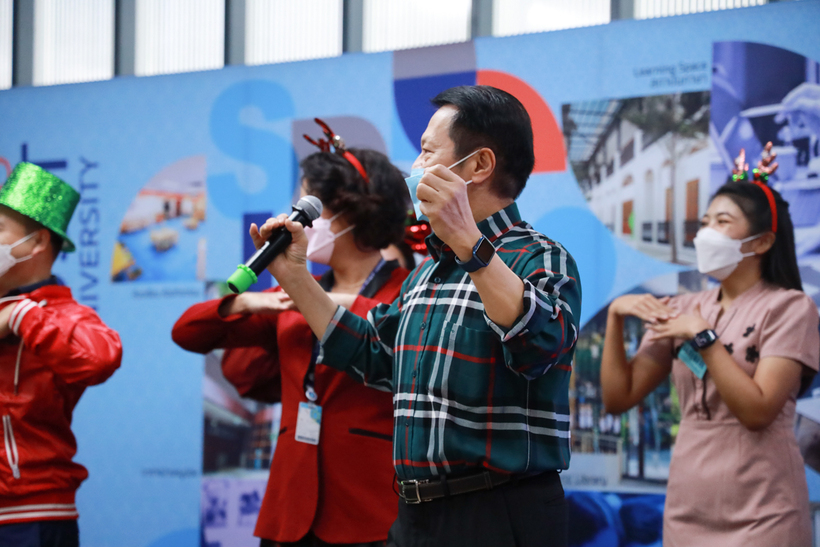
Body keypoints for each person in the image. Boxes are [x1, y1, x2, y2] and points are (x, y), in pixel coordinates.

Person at [250, 85, 582, 547]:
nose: (416, 167)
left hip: (498, 511)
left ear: (479, 166)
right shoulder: (427, 273)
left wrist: (468, 241)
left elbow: (538, 347)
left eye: (427, 151)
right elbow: (374, 355)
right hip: (413, 512)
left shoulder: (540, 257)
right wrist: (296, 279)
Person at [172, 128, 410, 547]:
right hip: (290, 508)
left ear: (351, 210)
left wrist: (326, 299)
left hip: (370, 507)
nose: (296, 219)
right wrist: (248, 302)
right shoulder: (291, 295)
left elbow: (394, 331)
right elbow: (188, 332)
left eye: (309, 206)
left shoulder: (408, 290)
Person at [600, 143, 819, 547]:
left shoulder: (790, 307)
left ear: (761, 242)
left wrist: (703, 336)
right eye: (704, 222)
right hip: (688, 509)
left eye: (722, 221)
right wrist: (615, 317)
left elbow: (757, 411)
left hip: (765, 511)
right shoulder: (683, 308)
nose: (705, 233)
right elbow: (618, 398)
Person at [0, 163, 123, 547]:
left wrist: (20, 315)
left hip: (31, 515)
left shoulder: (65, 316)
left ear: (37, 242)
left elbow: (100, 358)